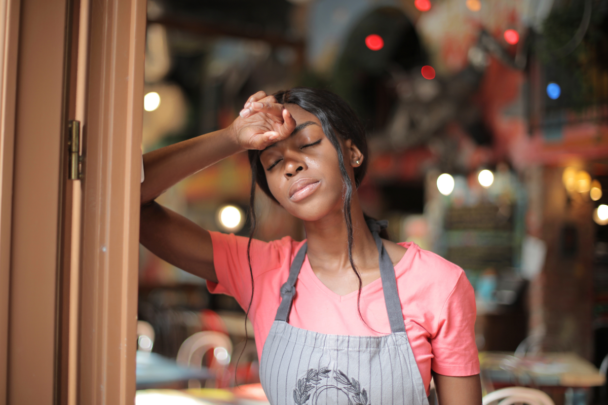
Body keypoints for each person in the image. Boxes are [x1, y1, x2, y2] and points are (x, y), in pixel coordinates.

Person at [140, 88, 481, 405]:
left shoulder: (439, 283)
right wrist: (232, 138)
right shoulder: (261, 268)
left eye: (307, 144)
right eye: (273, 163)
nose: (291, 165)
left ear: (353, 151)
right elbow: (130, 199)